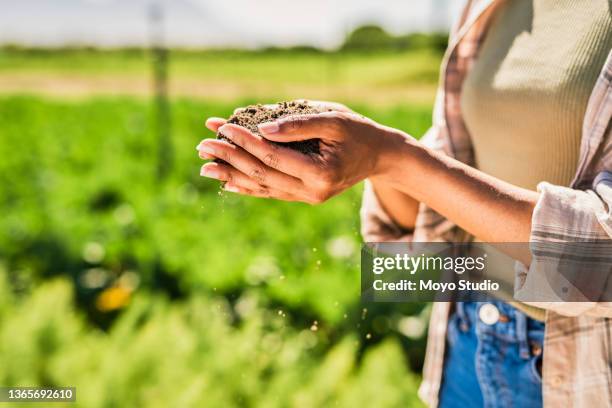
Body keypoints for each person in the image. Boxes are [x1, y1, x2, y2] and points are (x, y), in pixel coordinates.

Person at [196, 0, 612, 406]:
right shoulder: (487, 7)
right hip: (468, 334)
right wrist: (368, 162)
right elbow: (435, 206)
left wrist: (391, 156)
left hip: (581, 368)